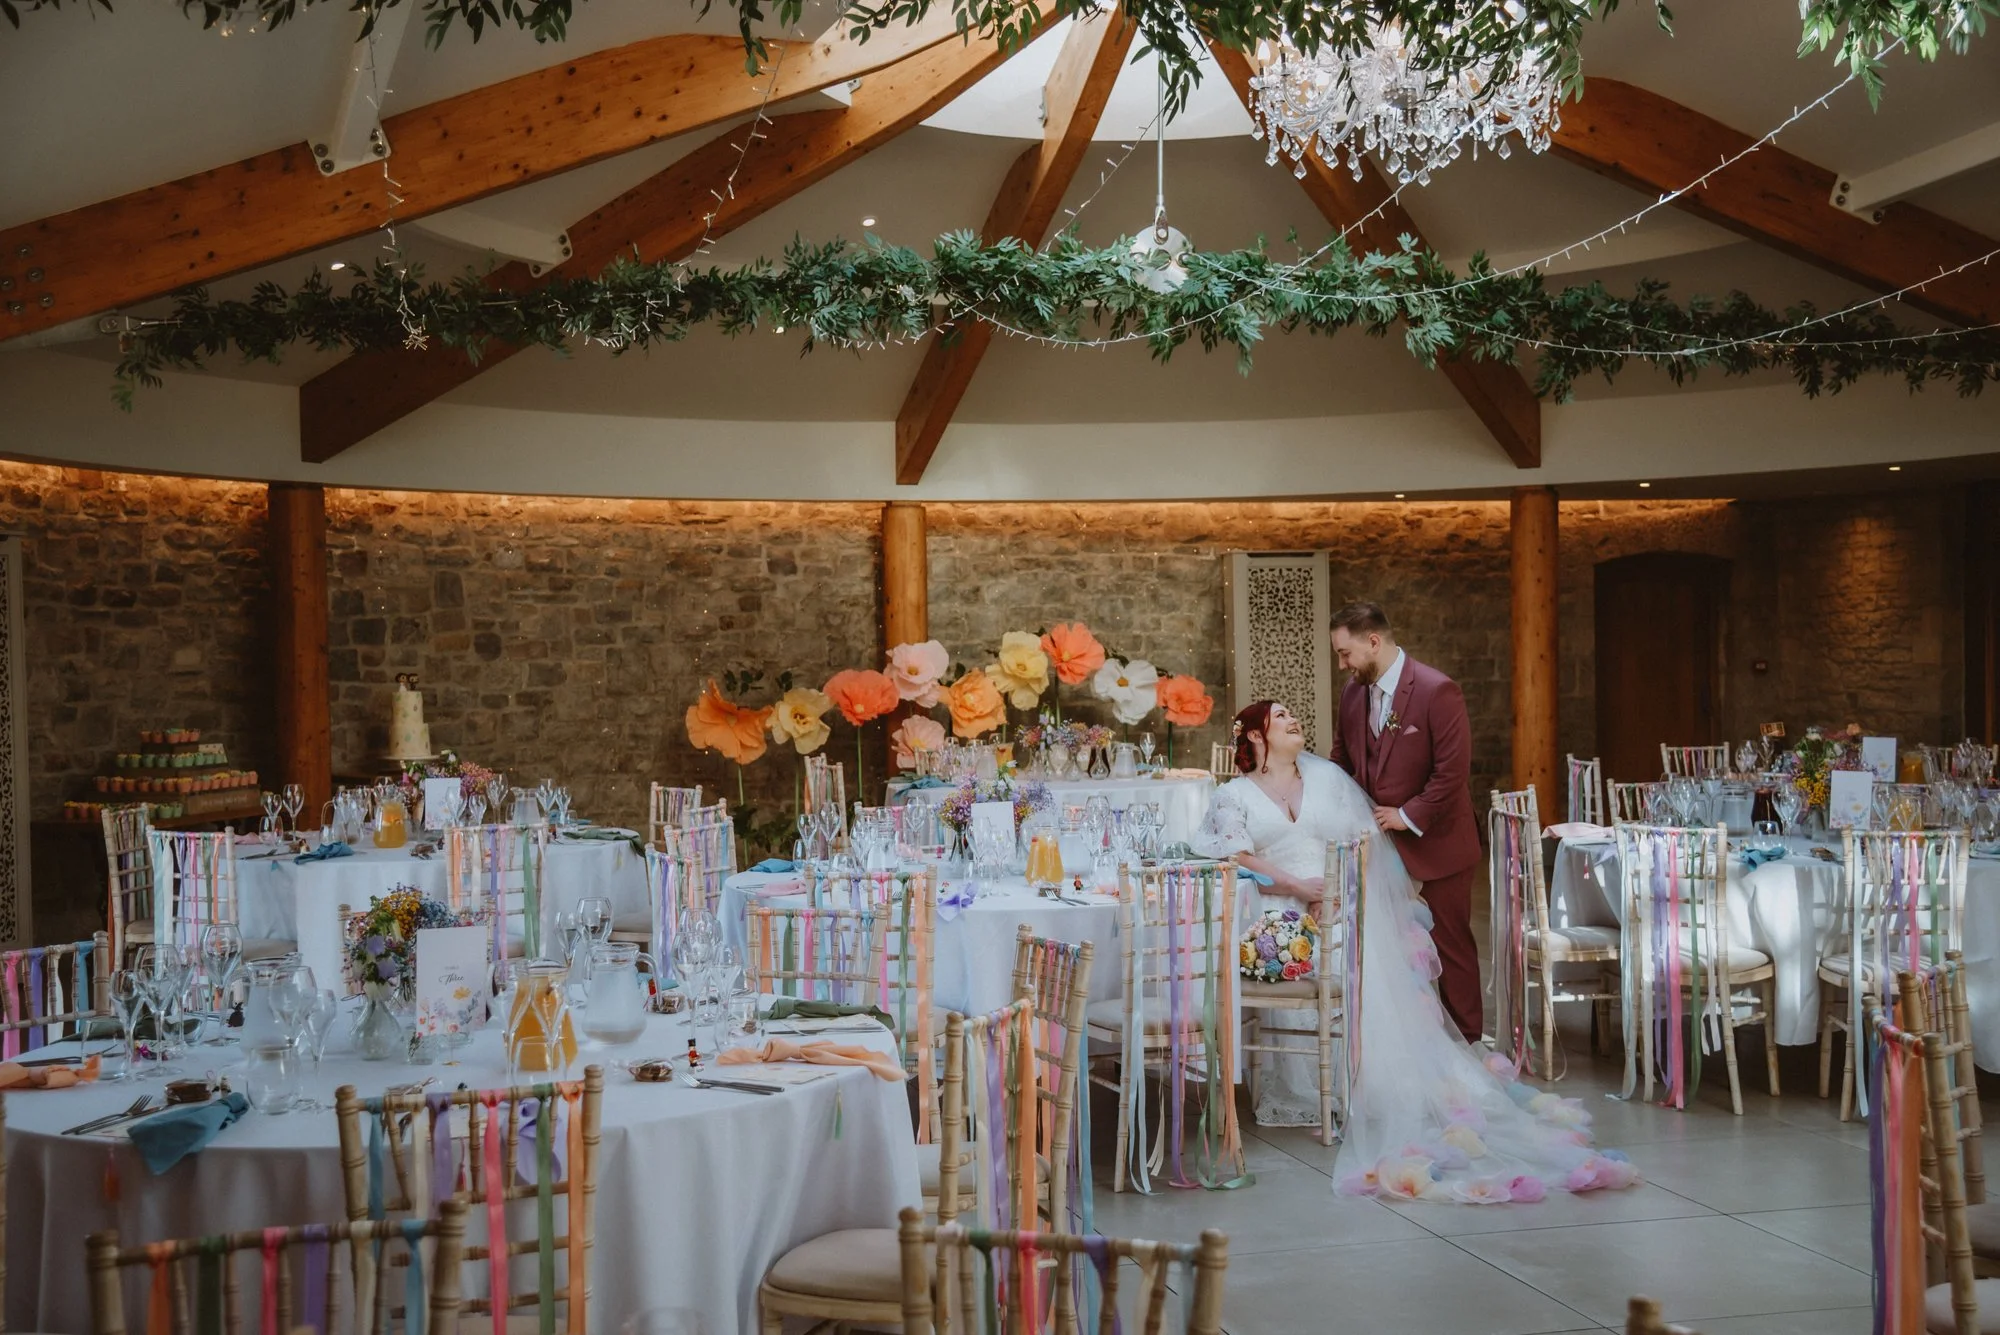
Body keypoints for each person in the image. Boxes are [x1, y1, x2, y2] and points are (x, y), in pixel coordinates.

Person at [1196, 699, 1638, 1202]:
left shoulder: (1328, 781)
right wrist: (1299, 887)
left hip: (1340, 906)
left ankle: (1369, 1082)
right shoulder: (1233, 795)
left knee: (1354, 954)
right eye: (1280, 717)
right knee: (1290, 954)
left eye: (1293, 715)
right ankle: (1304, 1084)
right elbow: (1237, 853)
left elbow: (1365, 846)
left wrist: (1338, 896)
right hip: (1277, 912)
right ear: (1255, 736)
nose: (1294, 720)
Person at [1325, 600, 1484, 1044]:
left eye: (1345, 653)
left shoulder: (1438, 690)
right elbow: (1343, 760)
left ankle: (1467, 1045)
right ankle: (1415, 1045)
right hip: (1378, 849)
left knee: (1451, 945)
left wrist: (1407, 815)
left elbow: (1452, 772)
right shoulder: (1354, 693)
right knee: (1389, 948)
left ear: (1373, 642)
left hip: (1439, 843)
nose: (1342, 665)